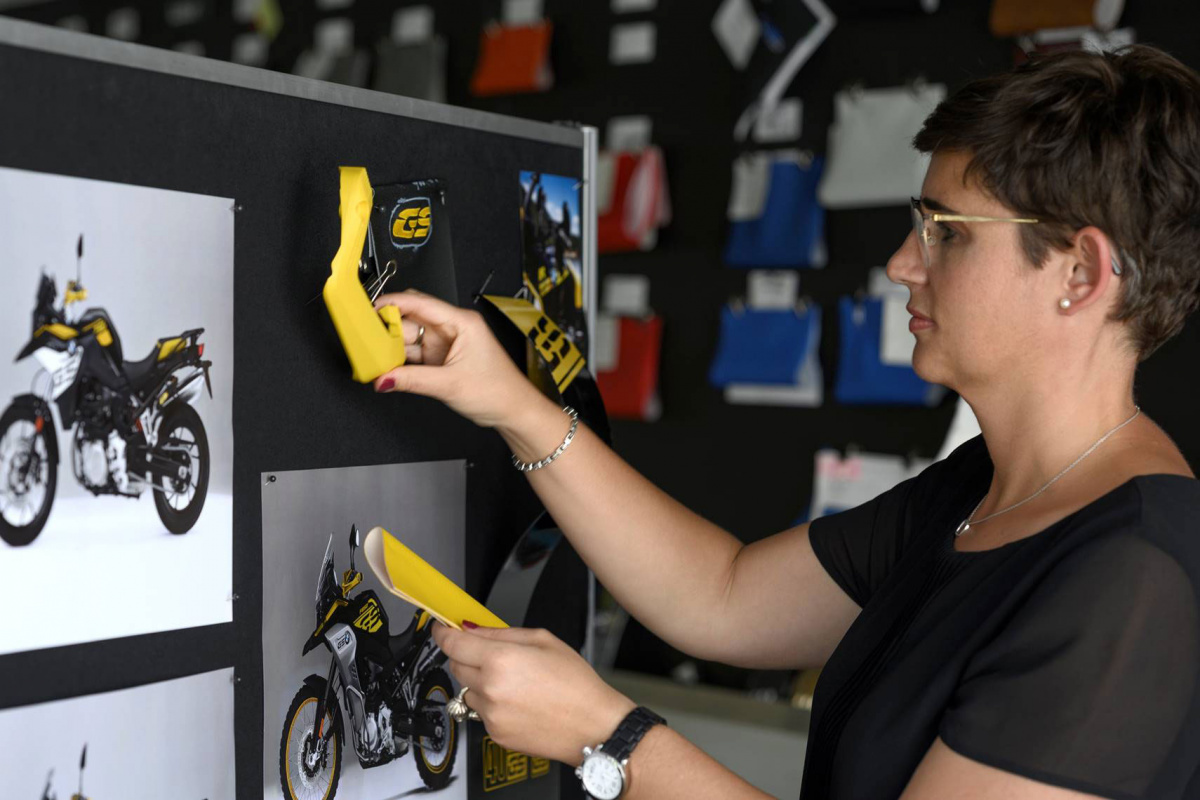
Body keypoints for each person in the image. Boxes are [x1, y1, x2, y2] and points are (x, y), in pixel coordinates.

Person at [372, 45, 1200, 800]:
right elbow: (721, 595)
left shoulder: (1132, 580)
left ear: (1080, 273)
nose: (901, 264)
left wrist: (609, 739)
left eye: (945, 233)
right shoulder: (981, 489)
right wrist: (512, 404)